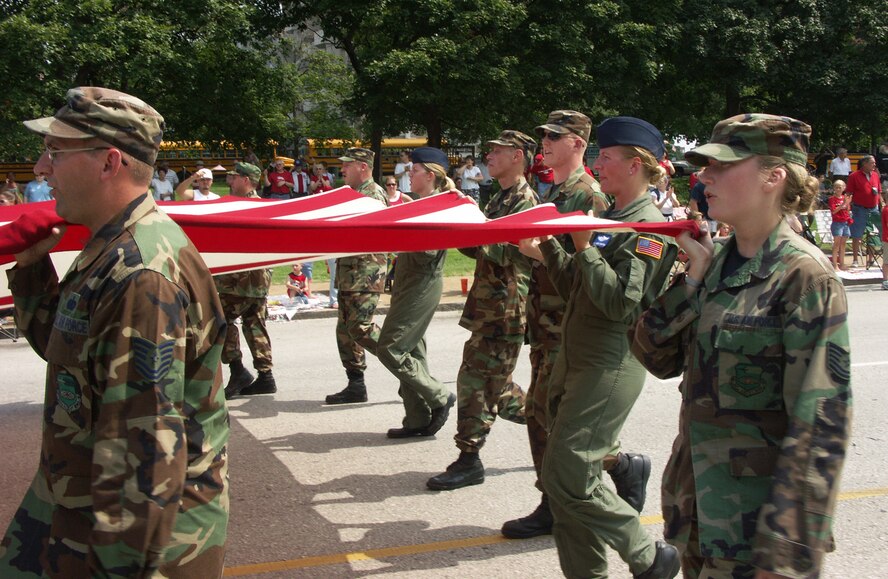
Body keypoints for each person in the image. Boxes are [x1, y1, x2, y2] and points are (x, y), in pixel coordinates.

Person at [0, 86, 229, 576]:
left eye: (55, 152)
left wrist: (119, 567)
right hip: (77, 508)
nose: (40, 168)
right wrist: (32, 271)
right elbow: (74, 359)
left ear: (108, 163)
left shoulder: (141, 275)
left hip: (126, 541)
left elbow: (144, 459)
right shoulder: (111, 249)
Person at [631, 113, 851, 579]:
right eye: (704, 166)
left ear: (774, 177)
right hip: (696, 515)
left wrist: (787, 553)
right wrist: (692, 279)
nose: (704, 177)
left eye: (722, 165)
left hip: (756, 536)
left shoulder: (804, 278)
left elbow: (820, 427)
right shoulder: (716, 264)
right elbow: (655, 357)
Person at [518, 116, 680, 578]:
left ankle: (648, 555)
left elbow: (620, 304)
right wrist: (548, 249)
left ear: (635, 165)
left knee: (568, 472)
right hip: (576, 357)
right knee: (563, 480)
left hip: (609, 362)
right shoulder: (612, 219)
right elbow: (577, 286)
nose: (598, 165)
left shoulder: (648, 227)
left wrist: (585, 247)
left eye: (605, 157)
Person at [501, 110, 615, 539]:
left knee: (551, 416)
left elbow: (592, 267)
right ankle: (601, 476)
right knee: (542, 413)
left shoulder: (590, 196)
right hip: (544, 319)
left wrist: (536, 250)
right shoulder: (554, 191)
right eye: (544, 136)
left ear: (578, 144)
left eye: (554, 136)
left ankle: (562, 501)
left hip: (567, 322)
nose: (545, 143)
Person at [427, 130, 538, 491]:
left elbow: (511, 251)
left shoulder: (525, 200)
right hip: (490, 306)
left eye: (497, 151)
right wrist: (461, 225)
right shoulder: (501, 197)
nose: (489, 156)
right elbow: (481, 249)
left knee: (480, 384)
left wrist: (473, 224)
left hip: (507, 308)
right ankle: (561, 432)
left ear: (518, 156)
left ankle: (469, 458)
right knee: (493, 387)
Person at [377, 147, 456, 439]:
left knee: (391, 348)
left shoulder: (435, 207)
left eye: (415, 170)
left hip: (422, 284)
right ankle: (417, 419)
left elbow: (428, 252)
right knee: (411, 351)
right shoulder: (421, 204)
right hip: (409, 283)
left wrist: (402, 227)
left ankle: (439, 396)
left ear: (431, 175)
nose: (409, 174)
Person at [325, 147, 388, 404]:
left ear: (363, 166)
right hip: (350, 274)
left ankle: (406, 362)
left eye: (347, 165)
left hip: (365, 274)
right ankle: (356, 384)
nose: (342, 169)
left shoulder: (373, 195)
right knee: (345, 331)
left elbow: (374, 234)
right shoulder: (353, 194)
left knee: (359, 328)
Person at [217, 162, 277, 399]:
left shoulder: (242, 207)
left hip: (239, 281)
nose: (230, 182)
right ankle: (266, 377)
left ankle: (237, 370)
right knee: (255, 325)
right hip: (258, 280)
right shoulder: (263, 206)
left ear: (246, 181)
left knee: (218, 320)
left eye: (234, 178)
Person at [847, 154, 882, 267]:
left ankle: (871, 259)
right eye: (872, 163)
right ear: (864, 164)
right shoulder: (854, 176)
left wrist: (882, 204)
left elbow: (879, 191)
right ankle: (855, 260)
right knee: (857, 234)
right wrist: (847, 207)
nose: (874, 164)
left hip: (874, 208)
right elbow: (849, 193)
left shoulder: (875, 175)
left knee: (873, 234)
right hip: (860, 209)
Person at [829, 179, 852, 270]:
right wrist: (843, 204)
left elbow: (847, 210)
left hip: (845, 222)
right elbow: (834, 211)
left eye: (840, 187)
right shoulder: (832, 199)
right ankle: (835, 264)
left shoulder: (844, 197)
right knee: (836, 244)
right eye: (836, 187)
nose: (838, 189)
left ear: (844, 188)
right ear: (834, 188)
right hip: (837, 223)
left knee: (843, 244)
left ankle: (842, 263)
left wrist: (847, 203)